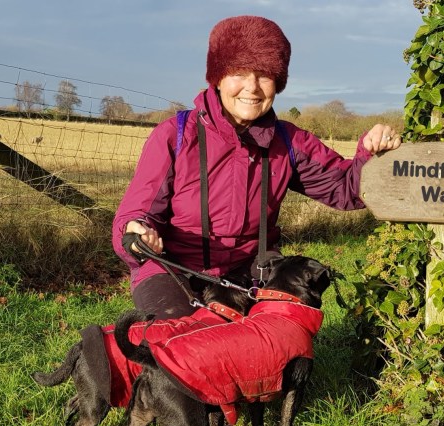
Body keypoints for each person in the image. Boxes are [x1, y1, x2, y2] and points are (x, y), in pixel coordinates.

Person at [111, 15, 401, 319]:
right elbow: (135, 215)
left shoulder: (288, 141)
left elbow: (346, 189)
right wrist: (137, 233)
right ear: (218, 77)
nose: (252, 88)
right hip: (173, 267)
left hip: (252, 268)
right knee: (182, 341)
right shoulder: (175, 135)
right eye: (239, 72)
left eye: (264, 75)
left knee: (286, 330)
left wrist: (372, 154)